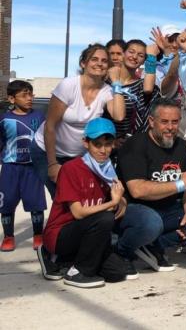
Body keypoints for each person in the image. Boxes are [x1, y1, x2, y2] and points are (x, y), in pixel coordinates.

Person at [115, 98, 186, 273]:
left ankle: (154, 245)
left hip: (169, 208)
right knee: (151, 223)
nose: (170, 127)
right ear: (151, 122)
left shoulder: (181, 146)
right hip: (135, 209)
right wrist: (179, 185)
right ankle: (121, 251)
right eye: (164, 122)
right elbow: (138, 190)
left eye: (175, 122)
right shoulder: (135, 145)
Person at [39, 118, 129, 287]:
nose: (103, 150)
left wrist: (121, 201)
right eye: (97, 144)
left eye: (108, 144)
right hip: (61, 233)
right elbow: (78, 213)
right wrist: (112, 203)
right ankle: (76, 271)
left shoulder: (108, 169)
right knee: (105, 218)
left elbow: (117, 196)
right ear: (85, 143)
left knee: (117, 272)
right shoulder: (71, 168)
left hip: (88, 233)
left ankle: (68, 261)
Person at [30, 44, 126, 197]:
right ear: (83, 63)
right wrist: (53, 164)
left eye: (104, 61)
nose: (99, 63)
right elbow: (50, 126)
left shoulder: (107, 90)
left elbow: (119, 115)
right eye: (94, 59)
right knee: (63, 199)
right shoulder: (68, 85)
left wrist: (116, 83)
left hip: (77, 155)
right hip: (47, 151)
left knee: (81, 198)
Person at [0, 80, 46, 251]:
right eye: (24, 95)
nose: (29, 98)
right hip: (10, 168)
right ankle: (8, 236)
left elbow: (46, 139)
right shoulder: (4, 119)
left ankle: (38, 235)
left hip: (33, 167)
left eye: (31, 94)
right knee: (6, 202)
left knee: (36, 202)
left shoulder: (39, 116)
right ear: (12, 99)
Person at [104, 38, 157, 146]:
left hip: (133, 145)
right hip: (105, 143)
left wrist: (152, 57)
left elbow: (148, 89)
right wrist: (111, 141)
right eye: (131, 52)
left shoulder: (141, 85)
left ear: (144, 61)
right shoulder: (106, 81)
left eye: (141, 55)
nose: (134, 57)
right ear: (123, 54)